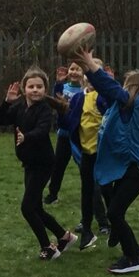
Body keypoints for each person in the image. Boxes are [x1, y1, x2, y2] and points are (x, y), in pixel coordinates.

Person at [72, 49, 139, 274]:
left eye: (129, 85)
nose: (123, 88)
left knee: (114, 214)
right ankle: (137, 255)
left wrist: (90, 63)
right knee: (112, 206)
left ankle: (133, 257)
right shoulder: (121, 105)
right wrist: (87, 68)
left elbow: (110, 87)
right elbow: (105, 89)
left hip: (135, 171)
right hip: (126, 169)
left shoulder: (136, 104)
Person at [0, 66, 77, 260]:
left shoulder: (44, 109)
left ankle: (47, 247)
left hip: (43, 163)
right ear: (24, 89)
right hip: (30, 163)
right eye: (31, 86)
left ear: (45, 89)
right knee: (36, 207)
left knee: (27, 208)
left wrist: (26, 137)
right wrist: (7, 102)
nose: (35, 90)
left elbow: (42, 130)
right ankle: (65, 237)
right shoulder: (19, 106)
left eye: (39, 86)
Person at [62, 59, 112, 250]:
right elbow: (69, 124)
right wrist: (61, 110)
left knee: (105, 189)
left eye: (94, 72)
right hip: (86, 152)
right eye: (87, 72)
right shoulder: (78, 98)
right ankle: (87, 229)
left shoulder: (105, 97)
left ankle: (111, 222)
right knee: (87, 190)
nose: (90, 77)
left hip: (103, 153)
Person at [44, 63, 84, 204]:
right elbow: (56, 100)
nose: (74, 72)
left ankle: (90, 193)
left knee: (84, 166)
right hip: (64, 134)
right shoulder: (64, 87)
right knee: (58, 165)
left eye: (78, 69)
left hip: (80, 135)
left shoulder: (84, 89)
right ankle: (52, 194)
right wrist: (59, 83)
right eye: (72, 69)